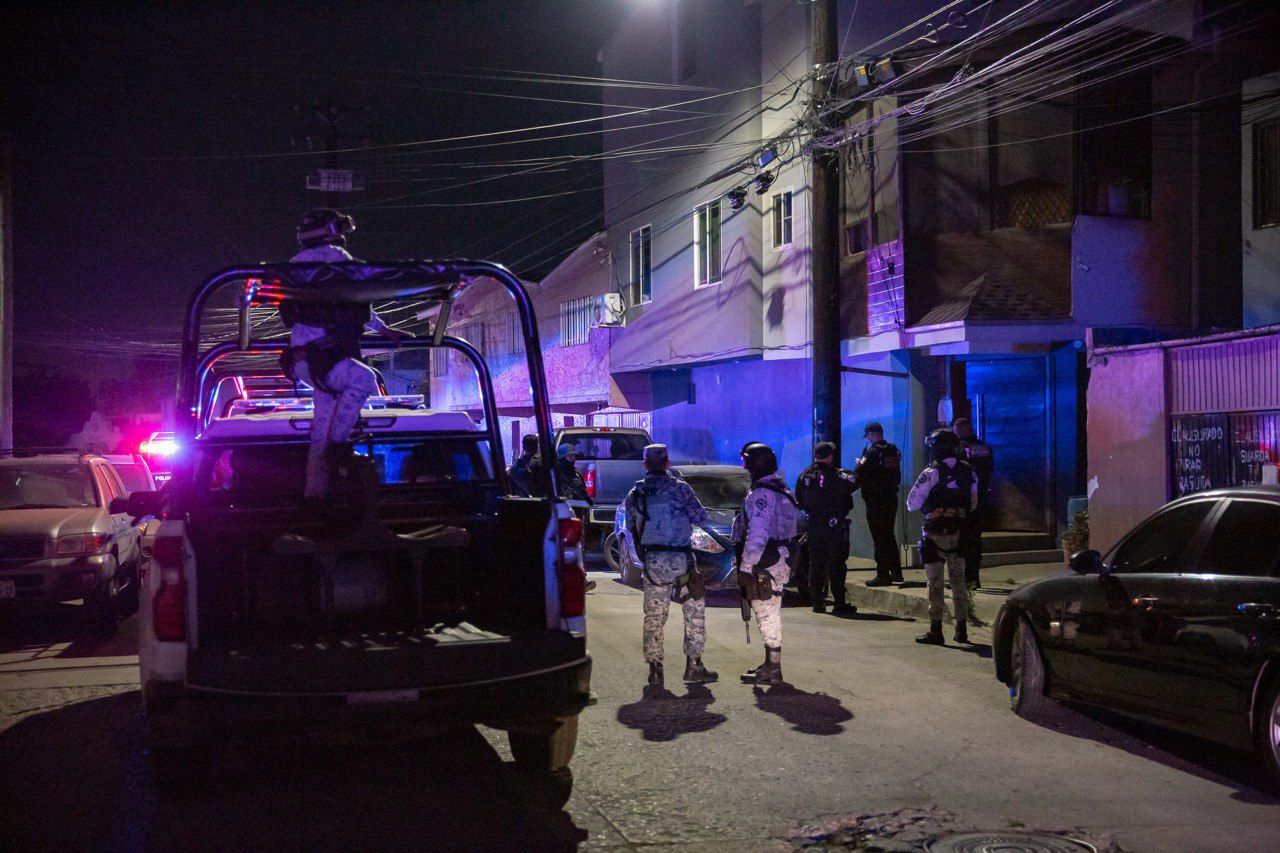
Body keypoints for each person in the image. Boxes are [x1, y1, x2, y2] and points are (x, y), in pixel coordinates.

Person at [280, 208, 412, 502]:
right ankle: (338, 449)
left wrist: (383, 329)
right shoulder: (335, 258)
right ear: (329, 232)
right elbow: (356, 301)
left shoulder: (293, 266)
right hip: (327, 357)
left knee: (321, 427)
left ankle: (315, 496)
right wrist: (385, 330)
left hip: (305, 362)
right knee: (364, 379)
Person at [624, 444, 722, 688]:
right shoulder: (680, 489)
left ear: (645, 464)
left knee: (654, 617)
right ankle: (694, 666)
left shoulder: (635, 493)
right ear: (667, 463)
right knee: (694, 611)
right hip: (682, 562)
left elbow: (631, 529)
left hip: (654, 563)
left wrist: (644, 558)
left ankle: (655, 670)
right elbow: (701, 518)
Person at [734, 442, 800, 686]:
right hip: (780, 556)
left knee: (766, 612)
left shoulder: (762, 493)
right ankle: (770, 664)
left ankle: (773, 667)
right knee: (769, 609)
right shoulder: (781, 487)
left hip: (767, 560)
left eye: (747, 462)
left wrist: (745, 567)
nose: (745, 467)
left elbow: (758, 534)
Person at [907, 428, 978, 645]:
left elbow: (912, 504)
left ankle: (936, 630)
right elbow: (973, 503)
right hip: (959, 532)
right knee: (959, 582)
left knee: (935, 583)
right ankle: (961, 630)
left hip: (935, 533)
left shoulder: (931, 473)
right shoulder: (969, 471)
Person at [794, 441, 858, 615]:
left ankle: (817, 602)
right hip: (834, 526)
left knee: (816, 563)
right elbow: (854, 482)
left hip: (814, 526)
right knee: (836, 564)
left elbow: (799, 500)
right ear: (830, 456)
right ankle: (839, 603)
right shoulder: (836, 475)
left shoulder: (804, 475)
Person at [855, 422, 904, 587]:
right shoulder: (892, 450)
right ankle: (896, 572)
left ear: (871, 434)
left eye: (868, 436)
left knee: (879, 538)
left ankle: (883, 574)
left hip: (876, 501)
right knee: (889, 535)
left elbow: (858, 473)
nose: (867, 439)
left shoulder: (871, 453)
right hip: (891, 498)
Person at [953, 417, 994, 588]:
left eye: (956, 431)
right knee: (975, 538)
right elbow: (989, 470)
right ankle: (974, 577)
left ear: (962, 430)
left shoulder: (960, 449)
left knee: (962, 538)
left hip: (964, 498)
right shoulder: (984, 447)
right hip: (981, 497)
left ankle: (966, 578)